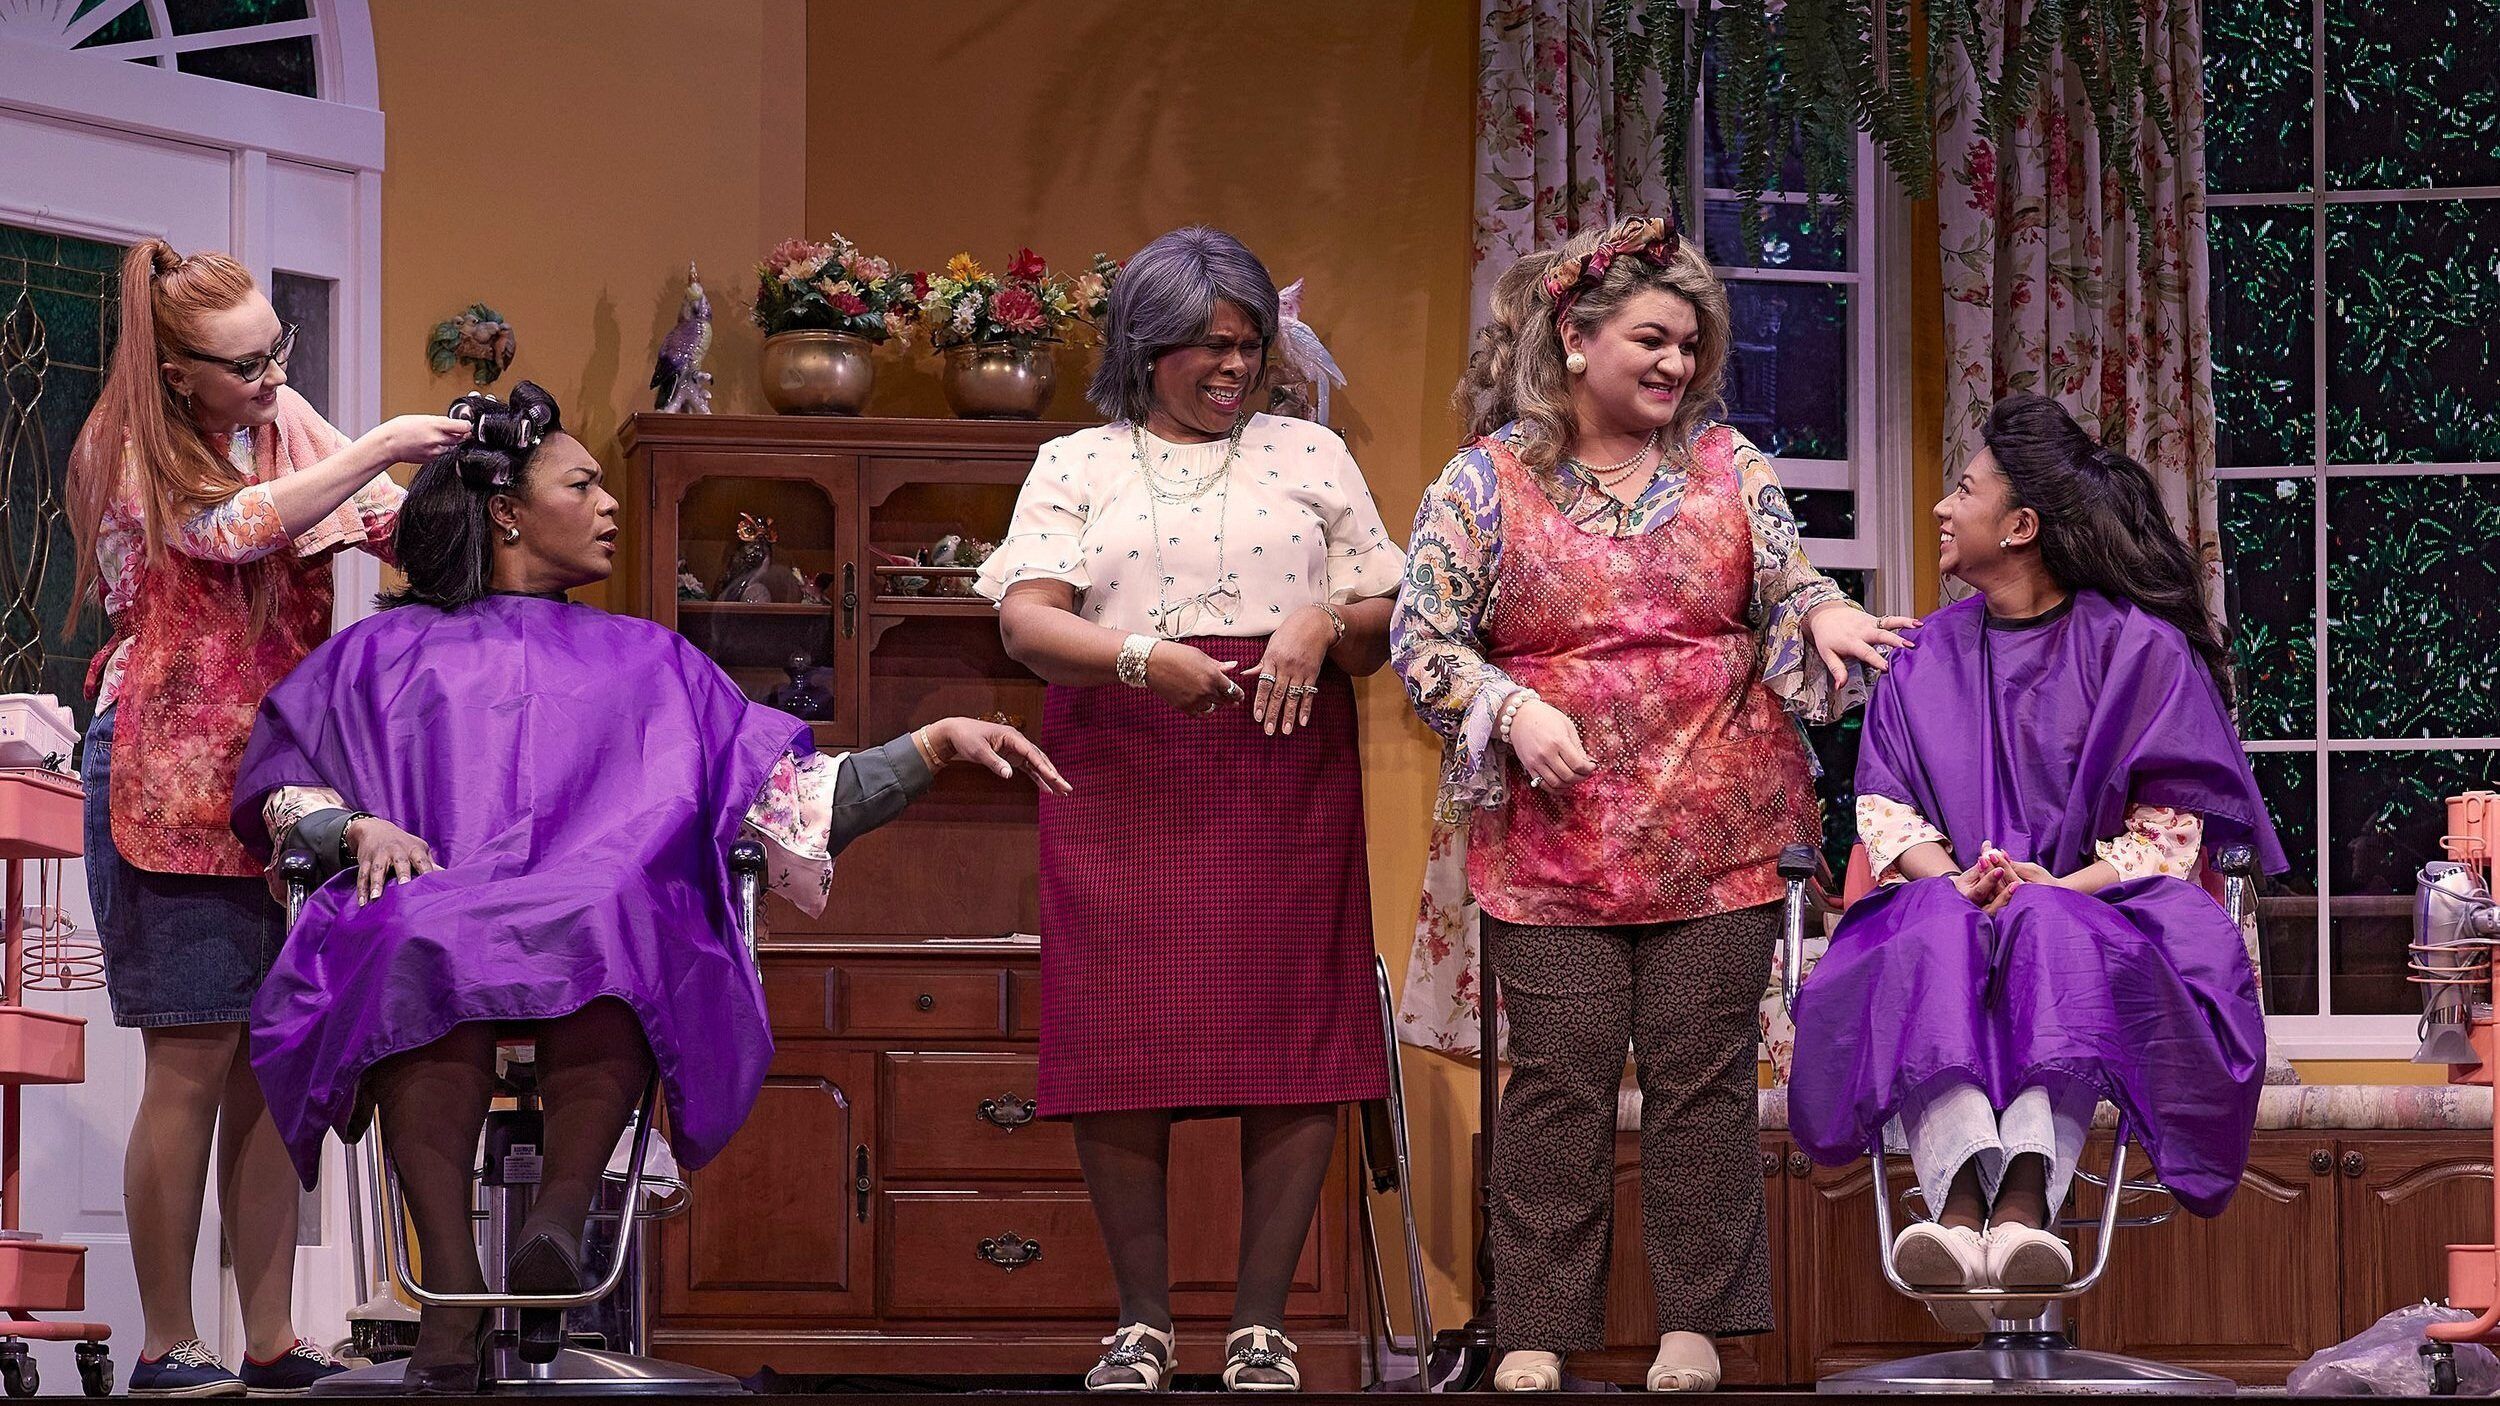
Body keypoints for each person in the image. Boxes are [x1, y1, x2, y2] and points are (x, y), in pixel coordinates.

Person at [229, 382, 1065, 1394]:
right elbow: (286, 783)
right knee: (429, 933)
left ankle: (556, 1219)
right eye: (583, 484)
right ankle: (450, 1284)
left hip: (593, 924)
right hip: (431, 909)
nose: (611, 503)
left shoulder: (655, 657)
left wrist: (927, 744)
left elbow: (783, 799)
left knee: (616, 915)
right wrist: (352, 823)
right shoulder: (374, 654)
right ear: (505, 512)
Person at [1391, 214, 1911, 1394]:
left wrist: (1821, 612)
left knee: (1701, 1085)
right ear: (1574, 340)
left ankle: (1698, 1322)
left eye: (1690, 345)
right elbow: (1421, 634)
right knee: (1558, 1087)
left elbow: (1783, 582)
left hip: (1717, 825)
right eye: (1653, 339)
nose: (1677, 365)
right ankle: (1536, 1322)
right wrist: (1510, 708)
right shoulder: (1485, 481)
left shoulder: (1734, 467)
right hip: (1553, 841)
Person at [975, 226, 1402, 1393]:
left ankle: (1262, 1323)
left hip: (1282, 756)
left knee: (1294, 1034)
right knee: (1120, 1034)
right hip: (1122, 760)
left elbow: (1380, 615)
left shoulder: (1309, 451)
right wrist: (1138, 658)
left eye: (1250, 344)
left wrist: (1317, 622)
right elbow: (1025, 621)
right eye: (1206, 345)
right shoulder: (1078, 461)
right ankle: (1143, 1321)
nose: (1233, 367)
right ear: (1142, 346)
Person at [65, 240, 471, 1397]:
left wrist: (454, 475)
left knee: (267, 1065)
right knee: (189, 1060)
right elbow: (227, 530)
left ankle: (272, 1335)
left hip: (282, 775)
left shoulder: (277, 418)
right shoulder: (129, 442)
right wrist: (380, 441)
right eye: (245, 365)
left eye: (277, 352)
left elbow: (388, 519)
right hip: (164, 769)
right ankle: (162, 1340)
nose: (270, 379)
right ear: (176, 365)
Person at [1787, 393, 2284, 1329]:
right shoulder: (1920, 654)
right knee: (1935, 925)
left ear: (2019, 527)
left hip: (2101, 914)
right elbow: (1886, 809)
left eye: (1962, 490)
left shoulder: (2141, 651)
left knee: (2045, 923)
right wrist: (1959, 883)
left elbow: (2170, 830)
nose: (1940, 508)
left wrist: (2057, 886)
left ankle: (2019, 1207)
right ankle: (1960, 1210)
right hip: (1947, 898)